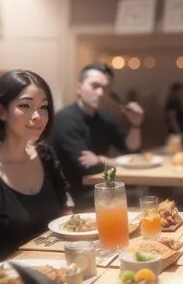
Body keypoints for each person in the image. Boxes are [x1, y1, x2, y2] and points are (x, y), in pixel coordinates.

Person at [0, 70, 72, 259]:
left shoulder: (45, 156)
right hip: (4, 279)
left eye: (43, 107)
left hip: (55, 266)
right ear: (2, 112)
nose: (37, 116)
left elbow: (64, 212)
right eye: (25, 105)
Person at [50, 63, 145, 209]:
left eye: (106, 88)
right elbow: (88, 166)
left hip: (101, 188)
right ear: (79, 87)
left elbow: (130, 149)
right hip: (71, 197)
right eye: (95, 86)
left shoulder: (104, 118)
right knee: (139, 197)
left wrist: (135, 125)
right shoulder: (64, 120)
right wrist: (112, 162)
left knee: (145, 195)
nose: (101, 93)